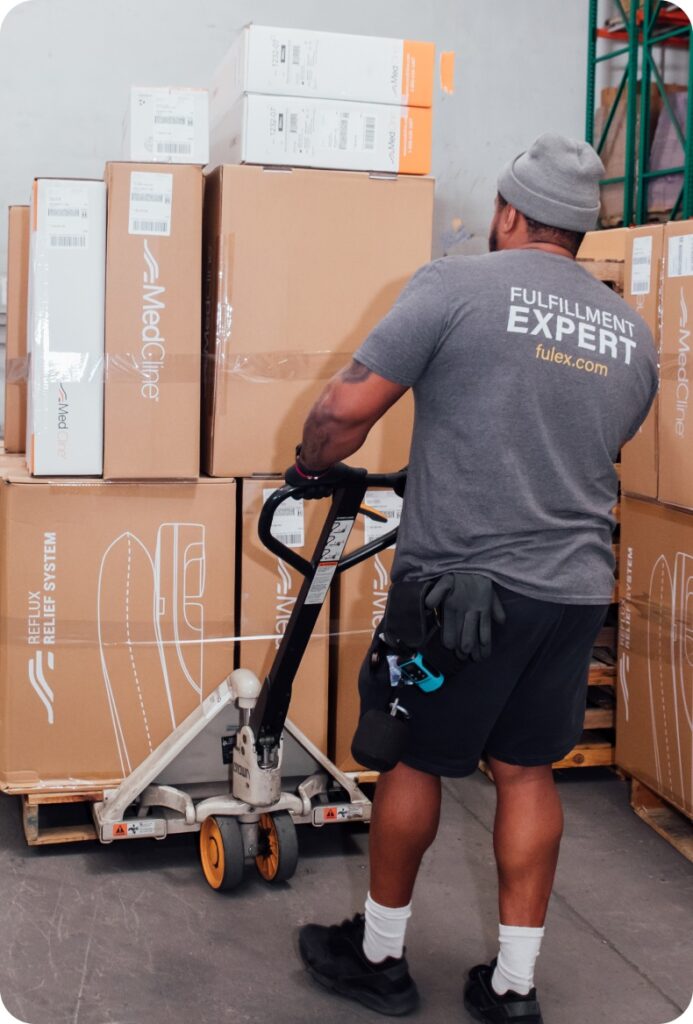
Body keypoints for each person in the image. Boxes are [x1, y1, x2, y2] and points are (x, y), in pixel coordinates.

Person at [284, 133, 658, 1023]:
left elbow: (345, 409)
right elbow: (581, 443)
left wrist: (307, 465)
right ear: (582, 228)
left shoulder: (453, 285)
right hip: (571, 591)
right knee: (526, 771)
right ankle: (512, 988)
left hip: (462, 593)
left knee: (415, 759)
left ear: (506, 212)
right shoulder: (631, 335)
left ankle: (377, 960)